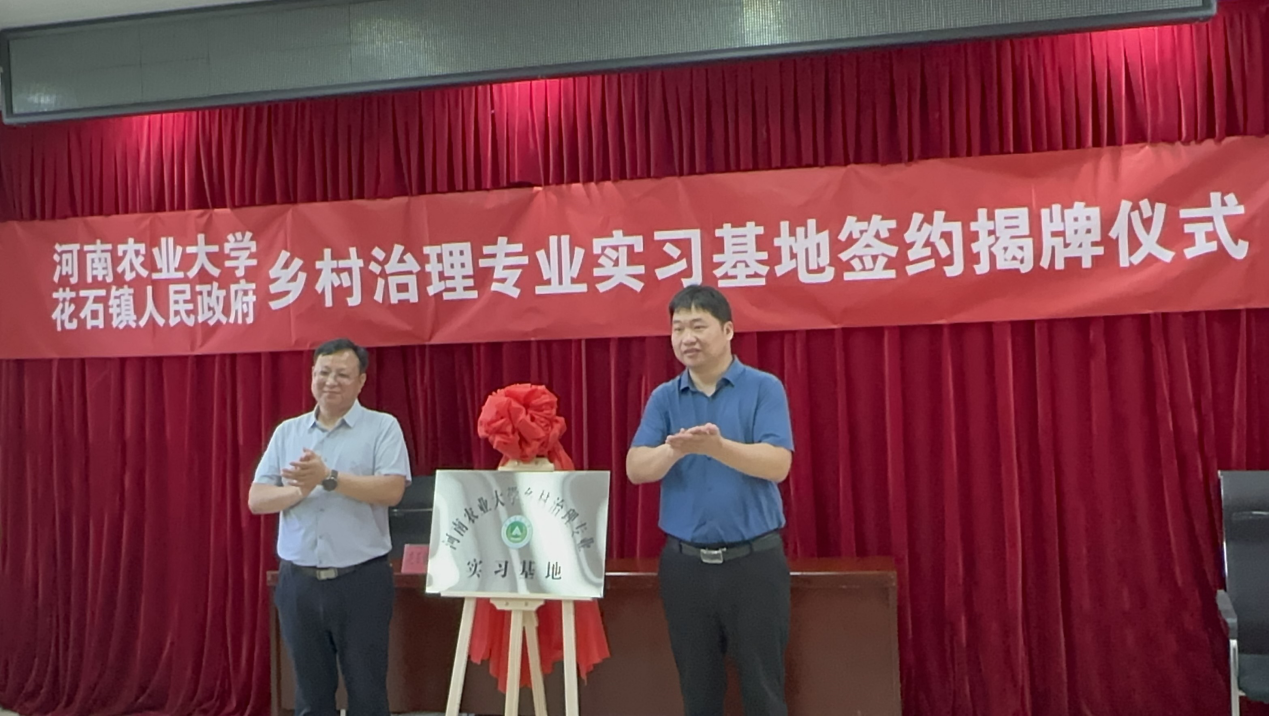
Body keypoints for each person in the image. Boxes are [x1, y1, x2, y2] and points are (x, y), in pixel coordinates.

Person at [626, 285, 795, 716]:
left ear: (728, 330)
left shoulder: (763, 388)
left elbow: (778, 463)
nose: (687, 338)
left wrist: (718, 448)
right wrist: (676, 450)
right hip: (685, 568)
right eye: (678, 328)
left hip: (753, 565)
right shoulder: (665, 397)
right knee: (698, 693)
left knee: (763, 691)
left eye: (698, 326)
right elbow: (636, 468)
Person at [248, 338, 411, 716]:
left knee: (367, 693)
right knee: (310, 697)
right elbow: (257, 498)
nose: (330, 382)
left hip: (361, 582)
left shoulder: (382, 427)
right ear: (312, 376)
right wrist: (298, 491)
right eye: (323, 373)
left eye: (342, 374)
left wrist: (329, 478)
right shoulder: (288, 432)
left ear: (361, 381)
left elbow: (392, 490)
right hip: (299, 583)